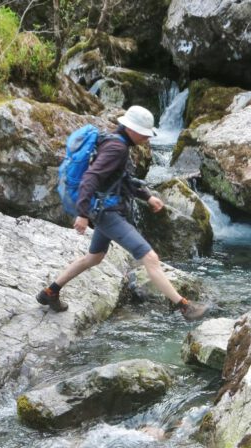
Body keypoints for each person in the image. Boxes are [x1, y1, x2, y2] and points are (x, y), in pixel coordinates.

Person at [36, 105, 208, 321]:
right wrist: (82, 213)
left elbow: (121, 180)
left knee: (94, 257)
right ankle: (185, 307)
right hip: (107, 213)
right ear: (132, 129)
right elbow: (91, 177)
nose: (147, 138)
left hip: (104, 208)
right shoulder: (116, 148)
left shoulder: (114, 142)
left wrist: (147, 196)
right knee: (150, 257)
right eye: (145, 133)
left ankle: (50, 292)